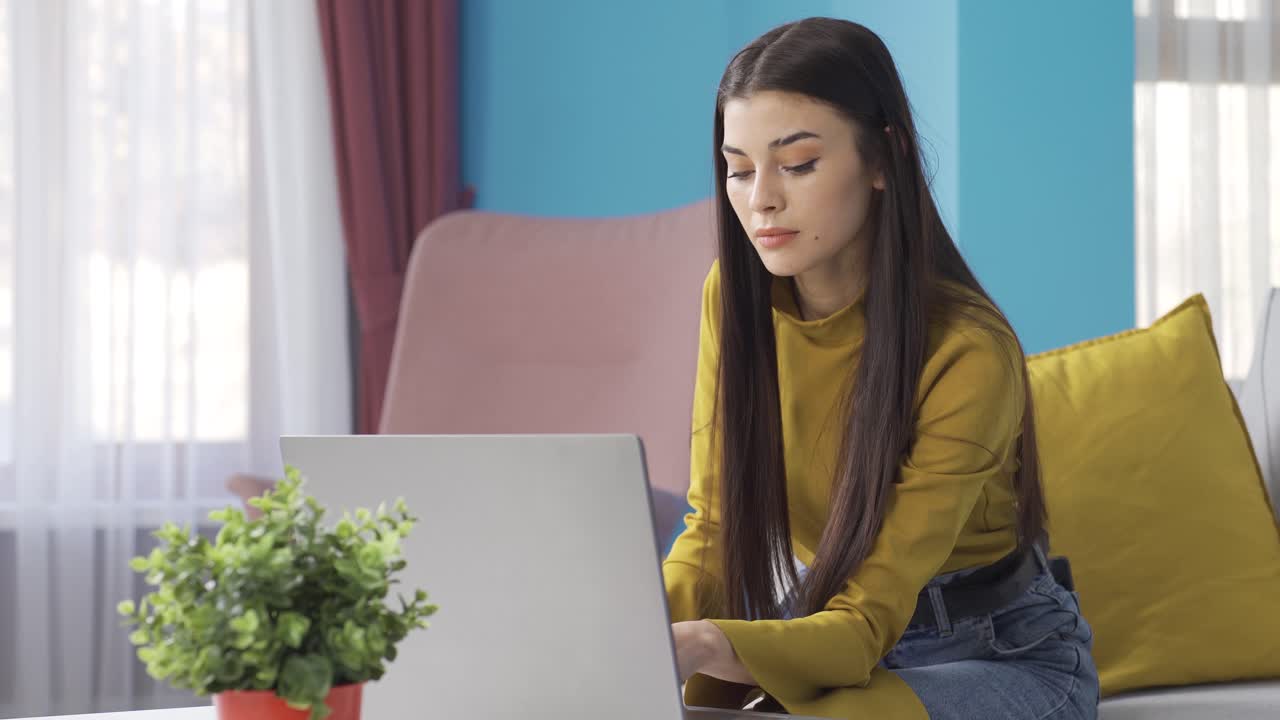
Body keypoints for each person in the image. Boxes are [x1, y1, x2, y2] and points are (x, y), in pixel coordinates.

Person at [662, 17, 1099, 720]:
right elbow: (712, 525)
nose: (760, 199)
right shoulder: (735, 297)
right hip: (824, 621)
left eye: (797, 164)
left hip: (996, 651)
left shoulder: (968, 350)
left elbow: (866, 622)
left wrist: (706, 639)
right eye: (738, 170)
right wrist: (634, 631)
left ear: (882, 159)